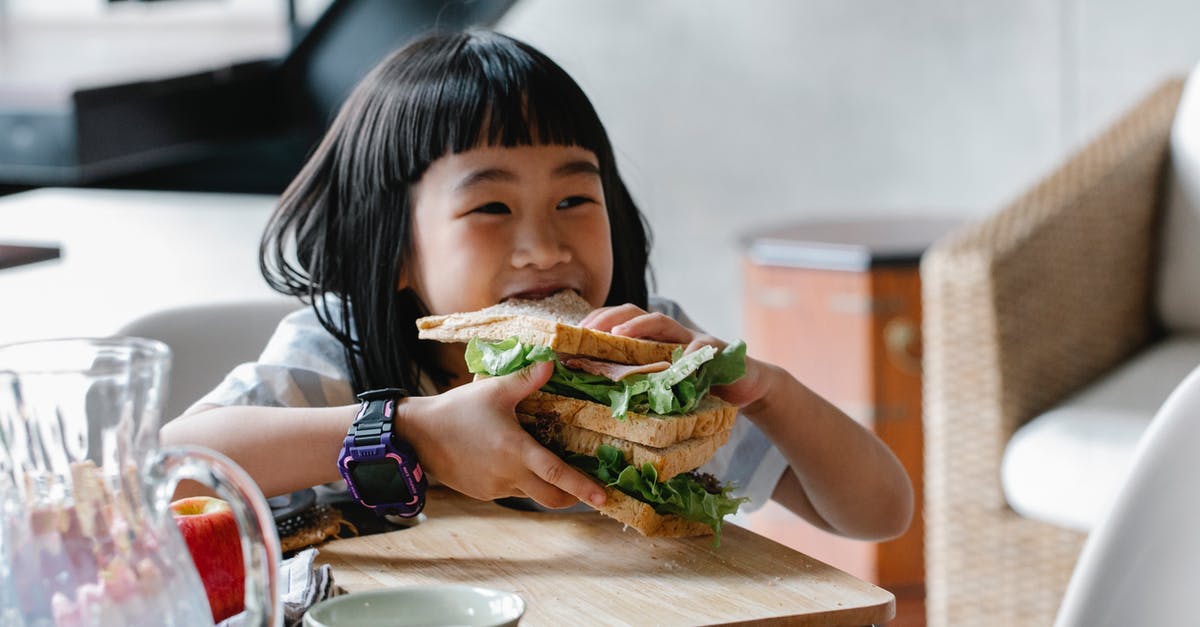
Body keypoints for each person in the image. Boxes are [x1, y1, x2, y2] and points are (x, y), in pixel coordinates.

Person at [161, 29, 912, 541]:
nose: (544, 245)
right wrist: (411, 429)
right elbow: (172, 468)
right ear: (394, 249)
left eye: (574, 200)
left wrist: (766, 390)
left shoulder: (643, 359)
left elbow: (877, 512)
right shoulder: (340, 352)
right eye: (491, 207)